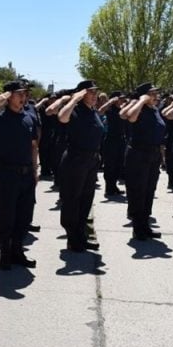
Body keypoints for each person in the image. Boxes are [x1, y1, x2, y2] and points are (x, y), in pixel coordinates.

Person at [0, 80, 38, 269]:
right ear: (9, 96)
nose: (23, 97)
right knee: (7, 216)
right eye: (19, 94)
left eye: (25, 94)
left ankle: (18, 251)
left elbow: (34, 145)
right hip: (9, 174)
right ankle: (5, 254)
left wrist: (35, 170)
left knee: (25, 216)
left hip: (27, 173)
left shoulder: (29, 117)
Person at [57, 80, 104, 252]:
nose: (94, 95)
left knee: (86, 200)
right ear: (82, 94)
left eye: (95, 92)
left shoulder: (92, 111)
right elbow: (62, 117)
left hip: (91, 161)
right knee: (72, 200)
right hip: (75, 160)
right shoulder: (75, 110)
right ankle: (72, 238)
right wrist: (74, 99)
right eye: (90, 92)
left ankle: (81, 235)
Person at [120, 83, 166, 240]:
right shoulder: (138, 107)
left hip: (153, 154)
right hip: (138, 154)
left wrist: (162, 157)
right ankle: (138, 228)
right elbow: (130, 118)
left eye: (156, 93)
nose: (156, 96)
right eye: (152, 93)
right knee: (138, 191)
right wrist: (140, 101)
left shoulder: (154, 110)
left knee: (149, 191)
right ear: (144, 95)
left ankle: (145, 225)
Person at [99, 91, 127, 197]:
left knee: (119, 164)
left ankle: (114, 186)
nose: (121, 100)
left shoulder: (121, 109)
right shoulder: (109, 109)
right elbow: (100, 111)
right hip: (111, 140)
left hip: (121, 140)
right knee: (110, 165)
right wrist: (110, 102)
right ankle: (109, 188)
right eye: (119, 99)